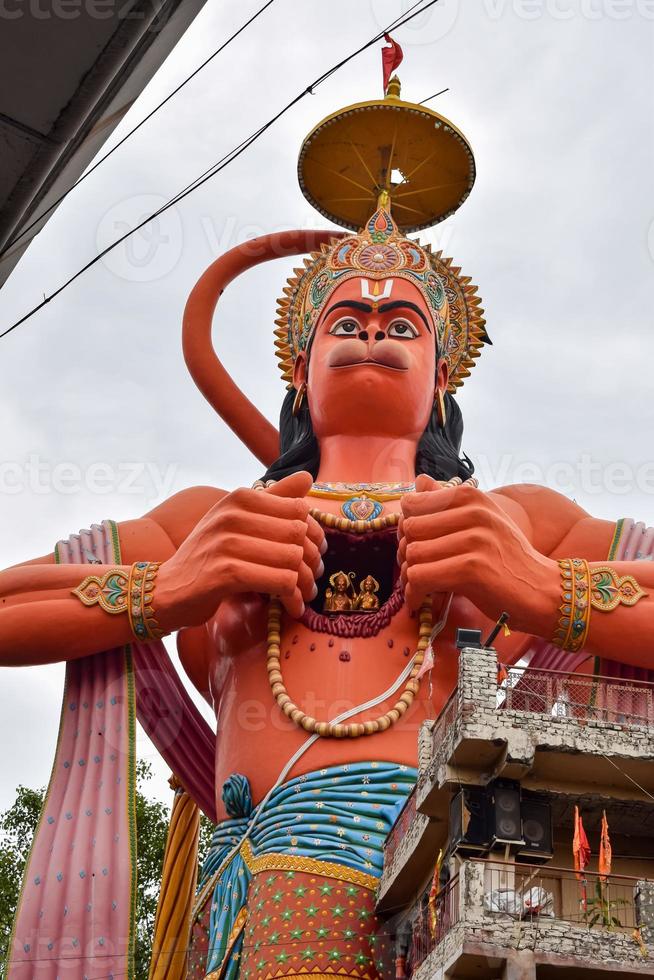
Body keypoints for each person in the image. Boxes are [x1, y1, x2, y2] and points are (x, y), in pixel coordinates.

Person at [2, 202, 652, 980]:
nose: (373, 331)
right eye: (347, 320)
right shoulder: (218, 521)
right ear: (300, 369)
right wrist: (169, 587)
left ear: (443, 372)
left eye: (402, 324)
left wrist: (544, 587)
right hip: (259, 905)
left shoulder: (510, 520)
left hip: (456, 885)